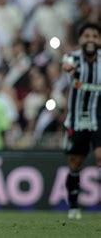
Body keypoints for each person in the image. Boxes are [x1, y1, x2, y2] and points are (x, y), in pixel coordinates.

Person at [62, 22, 101, 220]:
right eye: (87, 36)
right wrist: (67, 67)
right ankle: (74, 206)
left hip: (99, 118)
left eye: (95, 36)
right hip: (77, 120)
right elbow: (66, 62)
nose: (91, 39)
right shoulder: (73, 57)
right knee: (76, 163)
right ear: (80, 39)